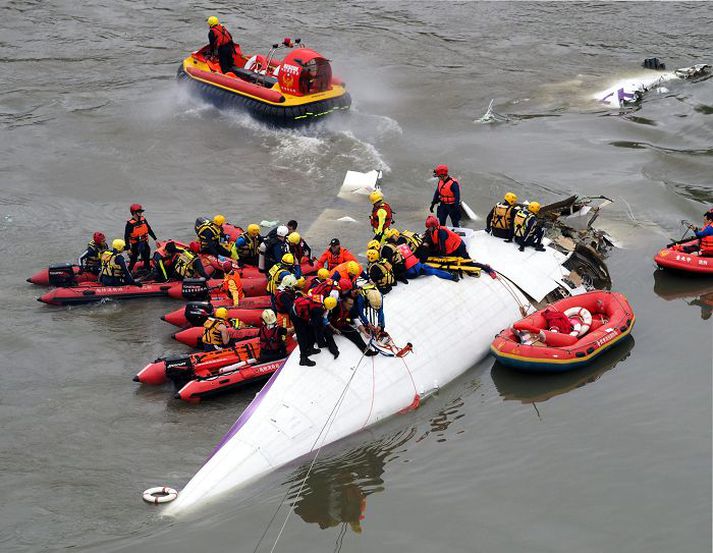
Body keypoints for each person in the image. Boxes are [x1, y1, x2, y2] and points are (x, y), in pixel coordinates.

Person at [291, 295, 339, 366]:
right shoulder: (319, 310)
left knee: (310, 331)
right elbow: (316, 325)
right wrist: (321, 340)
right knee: (302, 336)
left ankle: (310, 349)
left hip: (299, 311)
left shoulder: (321, 298)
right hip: (296, 315)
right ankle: (303, 358)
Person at [392, 238, 458, 281]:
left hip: (412, 272)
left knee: (432, 271)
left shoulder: (396, 250)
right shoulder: (406, 246)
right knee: (432, 269)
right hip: (417, 265)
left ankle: (452, 277)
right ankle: (451, 276)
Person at [124, 204, 157, 273]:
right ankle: (128, 272)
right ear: (134, 213)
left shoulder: (143, 219)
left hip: (144, 242)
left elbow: (149, 229)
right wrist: (128, 249)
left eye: (141, 211)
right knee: (133, 259)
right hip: (136, 244)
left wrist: (155, 239)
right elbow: (126, 236)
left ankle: (147, 270)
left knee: (146, 256)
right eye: (139, 211)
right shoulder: (130, 224)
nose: (141, 213)